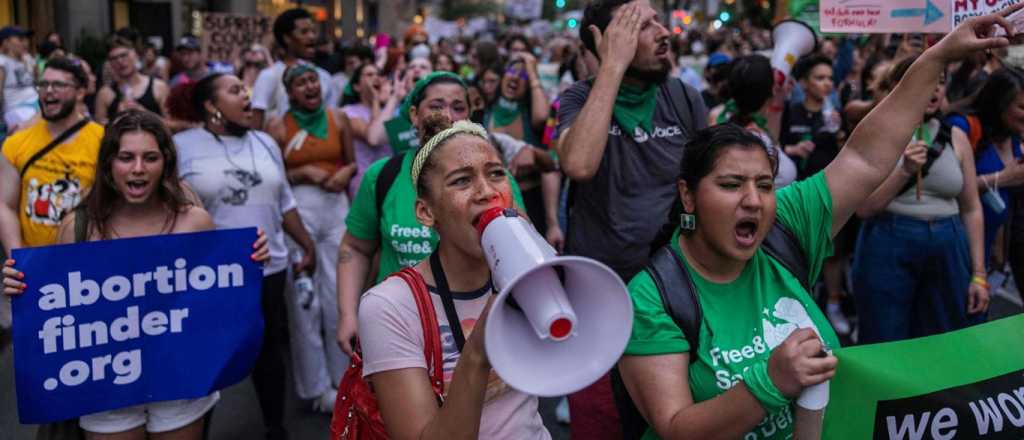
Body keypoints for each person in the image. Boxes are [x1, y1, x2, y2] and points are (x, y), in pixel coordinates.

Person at [616, 11, 1013, 439]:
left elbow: (864, 156)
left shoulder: (783, 223)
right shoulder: (649, 299)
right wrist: (769, 384)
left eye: (765, 185)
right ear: (688, 194)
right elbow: (676, 429)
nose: (753, 200)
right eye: (731, 185)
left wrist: (939, 56)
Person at [2, 109, 268, 439]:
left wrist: (248, 260)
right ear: (109, 165)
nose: (138, 168)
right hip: (105, 386)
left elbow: (216, 298)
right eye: (126, 157)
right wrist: (23, 288)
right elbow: (57, 308)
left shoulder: (194, 222)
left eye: (150, 157)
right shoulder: (79, 228)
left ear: (166, 163)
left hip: (179, 381)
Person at [557, 1, 707, 437]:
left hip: (675, 292)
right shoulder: (578, 98)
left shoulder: (683, 97)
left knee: (670, 417)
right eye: (641, 26)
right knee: (603, 422)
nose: (663, 32)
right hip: (601, 296)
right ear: (605, 42)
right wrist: (612, 67)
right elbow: (579, 164)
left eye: (659, 20)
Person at [357, 115, 550, 440]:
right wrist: (476, 354)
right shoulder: (388, 306)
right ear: (425, 212)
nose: (486, 192)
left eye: (496, 174)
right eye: (461, 181)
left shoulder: (527, 276)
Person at [336, 72, 527, 357]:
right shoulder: (383, 176)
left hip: (481, 328)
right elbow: (355, 247)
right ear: (414, 114)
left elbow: (522, 247)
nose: (447, 115)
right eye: (436, 106)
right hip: (400, 327)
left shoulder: (496, 181)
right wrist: (348, 314)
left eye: (459, 107)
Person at [170, 72, 317, 440]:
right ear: (211, 105)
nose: (246, 95)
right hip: (210, 272)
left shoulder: (265, 142)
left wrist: (307, 244)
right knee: (211, 353)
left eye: (245, 88)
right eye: (235, 90)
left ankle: (275, 427)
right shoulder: (183, 146)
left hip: (269, 267)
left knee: (268, 352)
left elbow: (285, 202)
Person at [852, 55, 988, 344]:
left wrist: (978, 274)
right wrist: (904, 172)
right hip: (889, 241)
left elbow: (972, 208)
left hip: (948, 243)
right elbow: (864, 208)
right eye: (926, 81)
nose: (935, 89)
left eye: (940, 82)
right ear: (902, 86)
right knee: (885, 335)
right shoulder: (875, 133)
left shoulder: (956, 136)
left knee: (943, 336)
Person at [265, 63, 356, 413]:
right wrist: (302, 171)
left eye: (312, 80)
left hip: (336, 209)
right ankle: (316, 388)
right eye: (300, 83)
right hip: (297, 214)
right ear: (289, 92)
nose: (309, 86)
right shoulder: (277, 127)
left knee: (337, 294)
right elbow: (272, 175)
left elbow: (350, 162)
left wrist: (343, 175)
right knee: (305, 302)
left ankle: (345, 379)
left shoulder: (338, 118)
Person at [1, 57, 102, 252]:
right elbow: (5, 205)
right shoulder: (15, 144)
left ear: (80, 92)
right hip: (34, 262)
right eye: (43, 84)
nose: (48, 91)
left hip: (87, 261)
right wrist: (18, 257)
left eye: (58, 85)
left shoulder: (103, 141)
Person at [951, 68, 1024, 272]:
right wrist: (1001, 178)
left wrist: (999, 250)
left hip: (986, 256)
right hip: (953, 250)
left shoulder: (1013, 137)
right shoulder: (962, 128)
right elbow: (948, 186)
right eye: (1022, 107)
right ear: (999, 103)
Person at [484, 55, 553, 233]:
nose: (515, 77)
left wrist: (532, 71)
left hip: (531, 201)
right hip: (493, 202)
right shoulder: (486, 110)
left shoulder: (530, 114)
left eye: (523, 76)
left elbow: (542, 117)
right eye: (512, 71)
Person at [252, 8, 338, 129]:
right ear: (287, 38)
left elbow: (333, 121)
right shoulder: (269, 76)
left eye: (313, 31)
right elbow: (256, 124)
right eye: (304, 32)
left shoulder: (324, 76)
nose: (312, 37)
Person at [340, 62, 393, 199]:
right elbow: (372, 137)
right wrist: (375, 100)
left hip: (390, 179)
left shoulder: (389, 111)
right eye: (369, 75)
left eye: (379, 75)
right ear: (356, 86)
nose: (376, 78)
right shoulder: (348, 112)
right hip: (364, 182)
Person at [94, 35, 169, 124]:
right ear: (109, 63)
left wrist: (145, 114)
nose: (120, 61)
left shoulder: (159, 87)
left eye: (124, 55)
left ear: (136, 55)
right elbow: (99, 131)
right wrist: (118, 117)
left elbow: (173, 125)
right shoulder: (105, 94)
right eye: (114, 58)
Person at [0, 26, 38, 134]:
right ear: (6, 42)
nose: (25, 43)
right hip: (17, 108)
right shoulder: (2, 62)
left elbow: (35, 81)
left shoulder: (26, 58)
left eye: (26, 39)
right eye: (20, 39)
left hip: (36, 103)